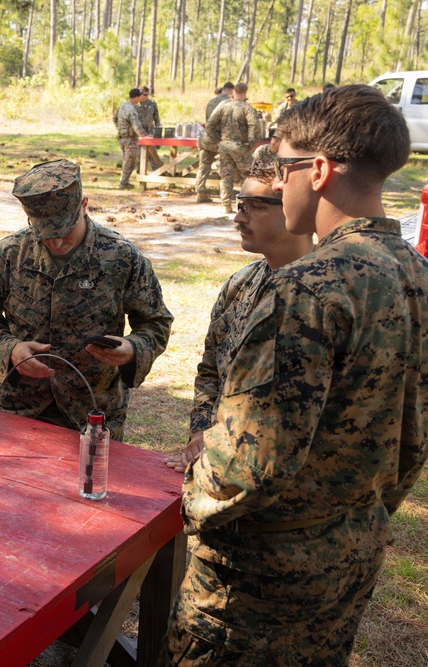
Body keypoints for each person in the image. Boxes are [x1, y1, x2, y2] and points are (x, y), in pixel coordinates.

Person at [160, 85, 428, 665]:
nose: (278, 182)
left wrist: (191, 504)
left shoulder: (306, 289)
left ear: (318, 170)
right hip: (354, 550)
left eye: (283, 167)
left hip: (256, 577)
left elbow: (247, 467)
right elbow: (413, 435)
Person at [0, 159, 173, 440]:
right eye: (45, 235)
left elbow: (156, 323)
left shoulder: (121, 257)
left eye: (64, 231)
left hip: (93, 414)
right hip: (21, 410)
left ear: (84, 204)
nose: (56, 243)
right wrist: (9, 350)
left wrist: (133, 349)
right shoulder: (9, 254)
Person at [164, 162, 313, 473]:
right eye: (239, 205)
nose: (238, 218)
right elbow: (209, 372)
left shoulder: (321, 295)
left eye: (254, 207)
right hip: (222, 467)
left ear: (295, 206)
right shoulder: (239, 284)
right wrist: (201, 432)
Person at [206, 82, 260, 213]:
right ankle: (244, 205)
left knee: (226, 176)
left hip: (224, 146)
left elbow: (209, 125)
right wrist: (252, 144)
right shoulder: (247, 108)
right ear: (245, 93)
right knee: (247, 175)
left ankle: (226, 206)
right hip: (240, 147)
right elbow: (255, 126)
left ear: (233, 92)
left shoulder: (224, 106)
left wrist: (217, 141)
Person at [196, 82, 234, 203]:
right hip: (221, 139)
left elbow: (208, 121)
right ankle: (225, 196)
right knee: (225, 167)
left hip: (207, 138)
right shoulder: (230, 103)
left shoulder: (211, 101)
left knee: (203, 166)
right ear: (232, 91)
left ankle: (200, 192)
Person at [114, 88, 146, 189]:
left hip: (122, 137)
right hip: (130, 139)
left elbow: (114, 118)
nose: (141, 97)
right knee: (131, 161)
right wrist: (143, 135)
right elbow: (136, 124)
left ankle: (124, 182)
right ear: (136, 97)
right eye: (140, 96)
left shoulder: (123, 106)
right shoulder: (131, 109)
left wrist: (120, 128)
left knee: (127, 160)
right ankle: (123, 183)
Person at [136, 86, 163, 171]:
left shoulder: (152, 103)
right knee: (140, 155)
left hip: (150, 132)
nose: (146, 96)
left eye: (147, 94)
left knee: (153, 153)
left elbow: (156, 117)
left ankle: (157, 172)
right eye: (144, 94)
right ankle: (140, 172)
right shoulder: (134, 104)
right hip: (139, 133)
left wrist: (158, 129)